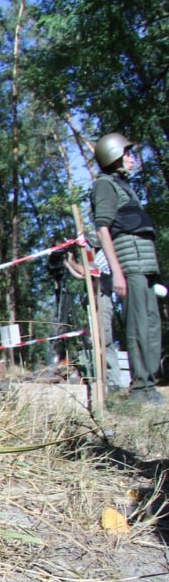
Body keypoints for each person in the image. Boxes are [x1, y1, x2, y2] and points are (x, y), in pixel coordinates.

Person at [91, 132, 162, 404]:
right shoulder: (105, 186)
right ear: (114, 156)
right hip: (129, 265)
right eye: (127, 154)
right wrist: (117, 271)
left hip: (144, 266)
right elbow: (102, 229)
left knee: (152, 324)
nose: (132, 159)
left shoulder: (124, 187)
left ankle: (149, 385)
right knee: (138, 325)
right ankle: (140, 389)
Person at [64, 241, 123, 390]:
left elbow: (90, 271)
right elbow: (81, 275)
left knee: (105, 339)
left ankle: (113, 382)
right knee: (97, 340)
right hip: (95, 299)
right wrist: (68, 263)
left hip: (102, 297)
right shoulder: (96, 256)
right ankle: (104, 379)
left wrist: (72, 262)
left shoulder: (104, 253)